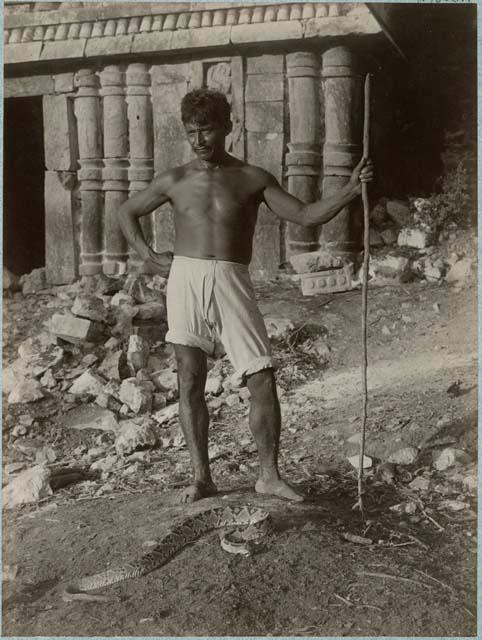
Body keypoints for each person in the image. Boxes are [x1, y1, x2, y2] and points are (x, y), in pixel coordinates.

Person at [118, 89, 373, 504]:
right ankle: (203, 477)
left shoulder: (253, 178)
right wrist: (148, 256)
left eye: (208, 130)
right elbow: (125, 211)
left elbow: (305, 215)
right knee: (189, 379)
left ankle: (269, 476)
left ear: (228, 127)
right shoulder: (174, 179)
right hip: (184, 276)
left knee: (261, 376)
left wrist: (348, 189)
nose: (200, 140)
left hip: (232, 278)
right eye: (192, 132)